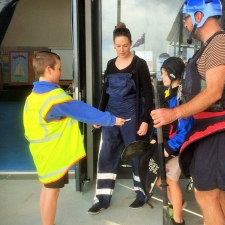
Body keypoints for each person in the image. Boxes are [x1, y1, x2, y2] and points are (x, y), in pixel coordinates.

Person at [151, 1, 225, 224]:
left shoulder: (221, 43)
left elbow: (214, 92)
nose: (185, 25)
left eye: (186, 19)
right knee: (214, 194)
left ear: (199, 16)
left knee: (207, 195)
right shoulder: (211, 46)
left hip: (219, 129)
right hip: (210, 130)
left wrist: (173, 114)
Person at [23, 51, 125, 225]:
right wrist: (112, 119)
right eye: (59, 68)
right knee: (52, 193)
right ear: (48, 69)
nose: (61, 72)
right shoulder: (54, 99)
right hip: (52, 155)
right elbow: (80, 110)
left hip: (41, 153)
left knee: (46, 190)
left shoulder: (33, 96)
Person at [87, 22, 153, 214]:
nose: (122, 49)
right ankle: (101, 200)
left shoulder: (139, 64)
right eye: (118, 45)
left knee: (135, 156)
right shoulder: (110, 64)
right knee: (106, 156)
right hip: (110, 118)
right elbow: (105, 93)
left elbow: (148, 94)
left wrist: (145, 120)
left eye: (125, 45)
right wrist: (100, 116)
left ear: (131, 43)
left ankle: (141, 195)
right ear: (113, 45)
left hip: (133, 117)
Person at [151, 57, 194, 225]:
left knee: (170, 180)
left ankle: (178, 220)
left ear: (174, 73)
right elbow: (161, 118)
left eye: (164, 73)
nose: (162, 76)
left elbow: (185, 127)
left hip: (177, 147)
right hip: (166, 143)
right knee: (159, 178)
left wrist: (170, 147)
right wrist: (156, 137)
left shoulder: (182, 96)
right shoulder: (167, 92)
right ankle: (178, 204)